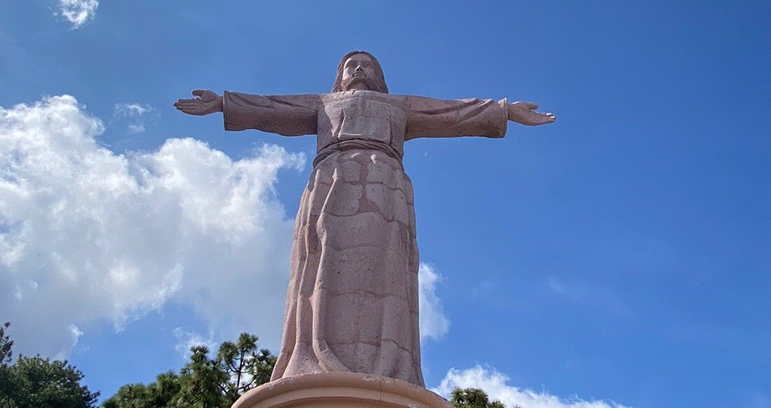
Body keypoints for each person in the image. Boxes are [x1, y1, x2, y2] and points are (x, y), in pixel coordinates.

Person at [175, 51, 554, 386]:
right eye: (350, 65)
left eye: (366, 65)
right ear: (339, 76)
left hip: (385, 186)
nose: (358, 69)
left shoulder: (398, 106)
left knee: (388, 266)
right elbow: (274, 108)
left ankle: (389, 364)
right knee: (320, 260)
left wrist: (503, 111)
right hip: (331, 179)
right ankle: (311, 356)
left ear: (379, 77)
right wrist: (224, 103)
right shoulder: (325, 103)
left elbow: (450, 113)